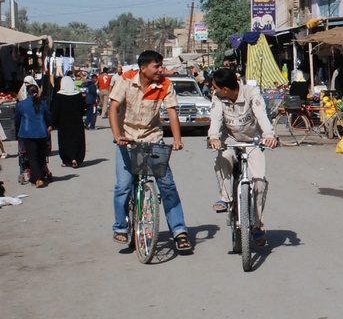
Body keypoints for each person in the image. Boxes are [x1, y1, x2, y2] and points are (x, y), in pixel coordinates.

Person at [108, 50, 192, 252]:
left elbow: (172, 113)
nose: (160, 70)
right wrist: (117, 134)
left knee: (167, 185)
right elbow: (113, 108)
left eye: (161, 65)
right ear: (143, 68)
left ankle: (179, 231)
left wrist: (177, 140)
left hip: (152, 138)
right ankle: (121, 227)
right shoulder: (126, 80)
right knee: (123, 186)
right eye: (156, 66)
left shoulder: (165, 84)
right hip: (127, 140)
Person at [207, 68, 277, 248]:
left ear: (225, 89)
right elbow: (215, 118)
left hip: (252, 140)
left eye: (215, 87)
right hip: (229, 139)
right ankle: (226, 197)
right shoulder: (218, 98)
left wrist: (269, 135)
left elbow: (261, 114)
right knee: (223, 157)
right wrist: (214, 137)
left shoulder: (250, 93)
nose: (213, 90)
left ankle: (257, 225)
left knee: (259, 182)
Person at [14, 84, 53, 188]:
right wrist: (49, 125)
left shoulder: (21, 104)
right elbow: (48, 116)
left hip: (27, 132)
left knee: (31, 156)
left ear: (27, 92)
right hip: (41, 132)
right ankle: (40, 174)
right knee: (41, 154)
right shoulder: (43, 103)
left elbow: (17, 118)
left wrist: (18, 127)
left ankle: (37, 178)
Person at [51, 76, 87, 168]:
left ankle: (67, 160)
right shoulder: (78, 95)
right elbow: (83, 109)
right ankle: (76, 159)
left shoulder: (59, 96)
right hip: (76, 122)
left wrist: (52, 123)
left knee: (65, 141)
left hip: (63, 123)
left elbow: (55, 111)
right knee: (76, 140)